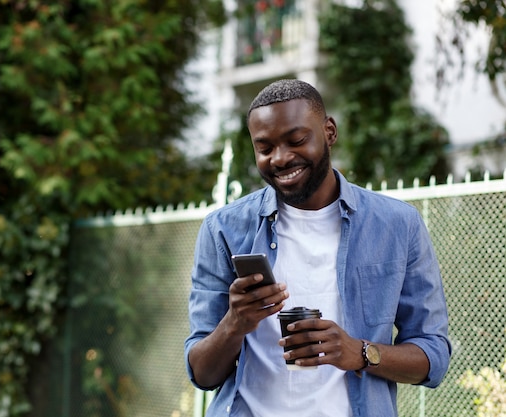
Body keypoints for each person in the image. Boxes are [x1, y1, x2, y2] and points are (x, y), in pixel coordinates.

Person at [184, 79, 451, 416]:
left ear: (329, 132)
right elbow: (202, 373)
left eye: (296, 140)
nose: (280, 158)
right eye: (264, 148)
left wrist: (359, 353)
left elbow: (434, 356)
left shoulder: (398, 225)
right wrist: (235, 323)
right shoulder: (223, 230)